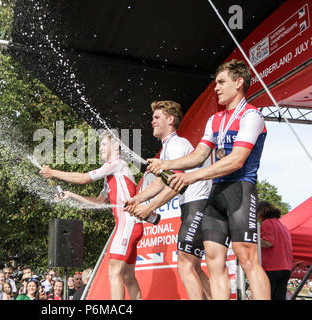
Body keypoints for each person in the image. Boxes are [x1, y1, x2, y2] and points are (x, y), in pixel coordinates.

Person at [147, 59, 270, 300]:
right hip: (216, 194)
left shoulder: (252, 115)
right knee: (214, 263)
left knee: (247, 258)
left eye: (222, 82)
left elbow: (236, 160)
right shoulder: (215, 120)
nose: (216, 88)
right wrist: (166, 164)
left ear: (239, 82)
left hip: (241, 189)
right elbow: (200, 154)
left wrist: (192, 177)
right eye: (216, 83)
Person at [124, 100, 212, 300]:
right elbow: (159, 184)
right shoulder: (167, 148)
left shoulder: (176, 144)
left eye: (157, 117)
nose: (152, 121)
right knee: (194, 266)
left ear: (170, 120)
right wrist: (136, 199)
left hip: (196, 203)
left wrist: (149, 208)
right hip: (192, 204)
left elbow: (176, 185)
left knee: (185, 264)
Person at [40, 131, 143, 300]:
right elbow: (99, 202)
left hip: (127, 224)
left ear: (116, 146)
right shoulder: (111, 173)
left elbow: (82, 179)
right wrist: (71, 195)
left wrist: (53, 172)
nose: (100, 148)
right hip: (131, 225)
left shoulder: (116, 163)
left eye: (103, 144)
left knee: (114, 271)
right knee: (127, 277)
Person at [257, 201, 293, 300]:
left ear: (261, 212)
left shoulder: (267, 223)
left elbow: (268, 242)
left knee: (267, 296)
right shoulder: (283, 226)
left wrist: (253, 240)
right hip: (285, 268)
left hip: (271, 268)